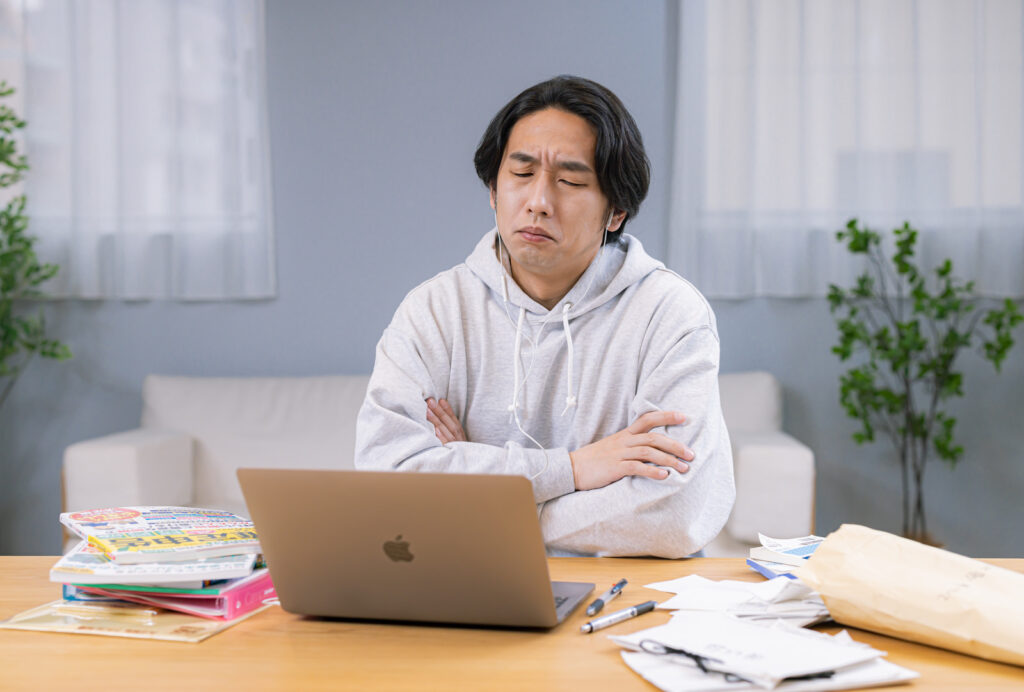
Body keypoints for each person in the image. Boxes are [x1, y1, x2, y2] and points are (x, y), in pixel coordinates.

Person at [354, 75, 734, 557]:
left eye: (570, 181)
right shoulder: (433, 311)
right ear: (493, 189)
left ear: (616, 211)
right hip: (475, 580)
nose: (538, 202)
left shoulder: (669, 313)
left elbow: (674, 516)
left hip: (627, 588)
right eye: (521, 173)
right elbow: (387, 481)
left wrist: (477, 498)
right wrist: (574, 469)